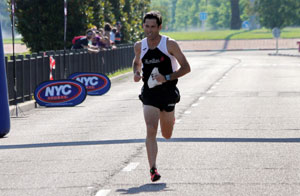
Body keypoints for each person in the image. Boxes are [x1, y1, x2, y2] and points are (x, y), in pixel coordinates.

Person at [132, 11, 191, 182]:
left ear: (159, 27)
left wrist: (166, 78)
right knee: (151, 128)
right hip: (149, 94)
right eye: (146, 26)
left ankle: (169, 119)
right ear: (143, 26)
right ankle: (153, 169)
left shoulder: (169, 44)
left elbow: (186, 67)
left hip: (168, 93)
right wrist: (136, 72)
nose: (149, 30)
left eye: (152, 27)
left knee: (166, 134)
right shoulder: (139, 46)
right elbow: (137, 62)